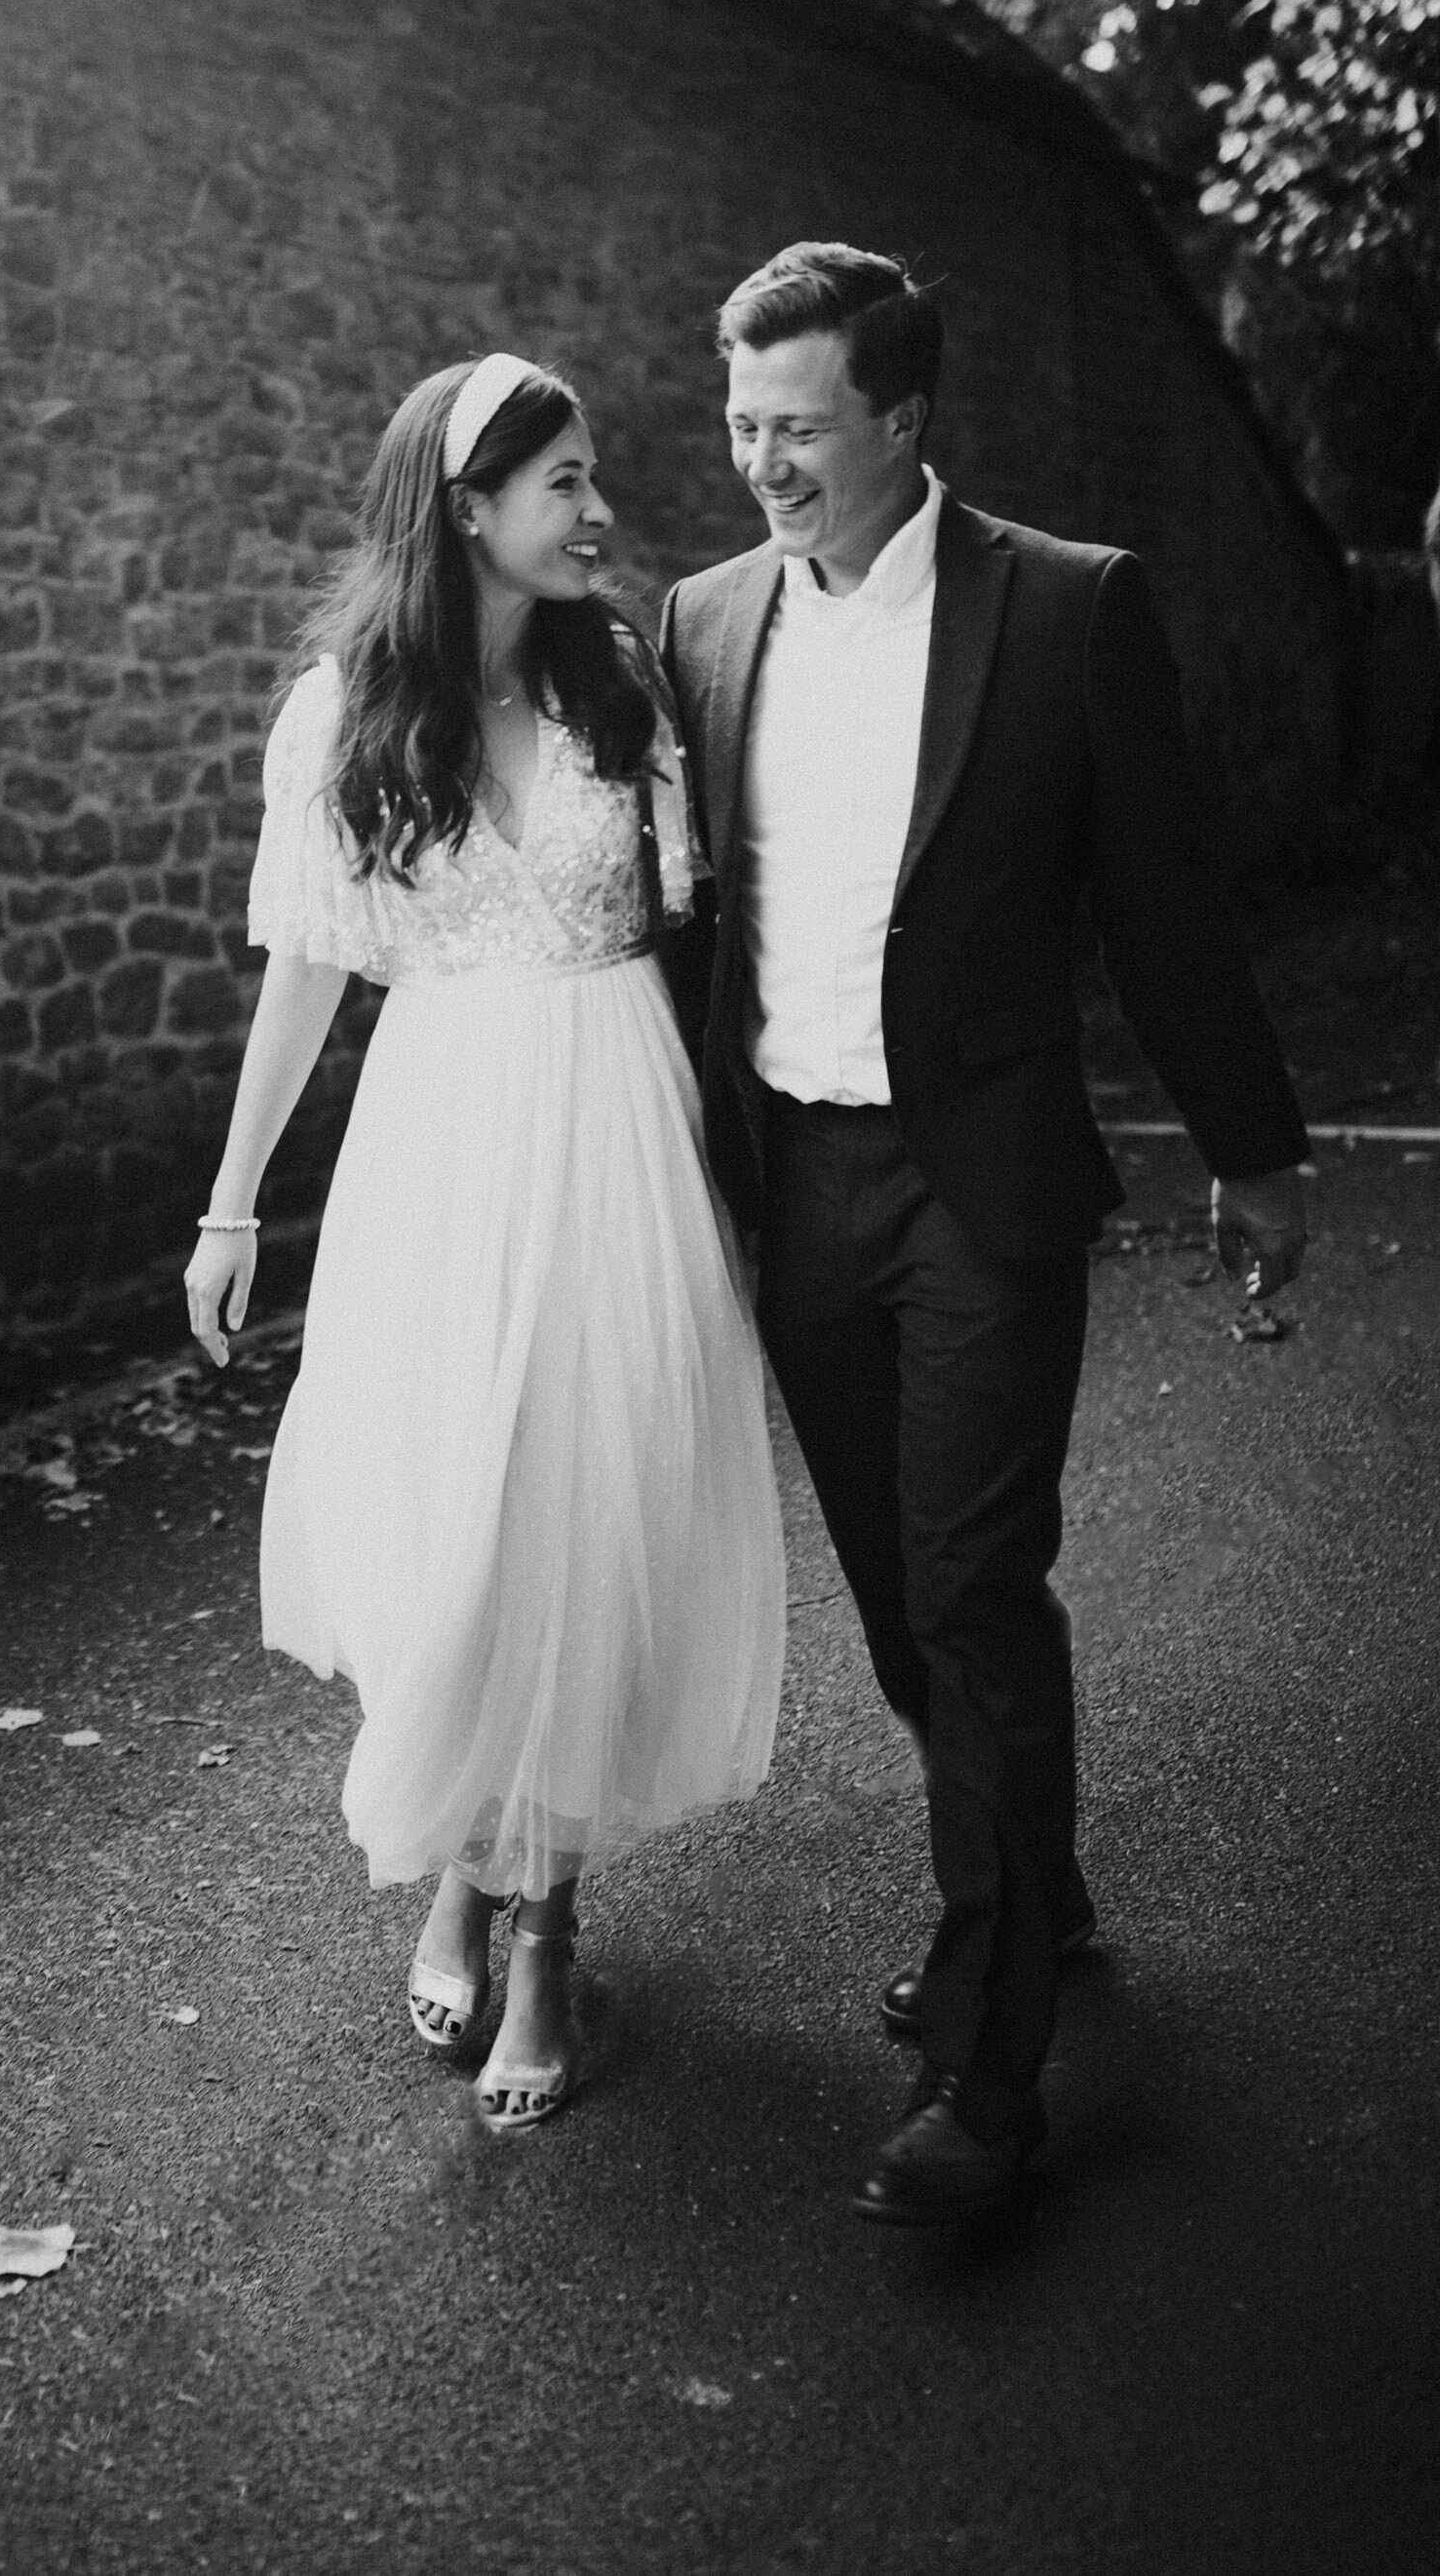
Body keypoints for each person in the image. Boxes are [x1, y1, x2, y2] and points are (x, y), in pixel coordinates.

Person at [661, 243, 1309, 2225]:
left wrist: (1251, 1148)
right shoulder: (696, 623)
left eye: (798, 426)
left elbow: (1161, 902)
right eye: (740, 422)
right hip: (794, 1182)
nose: (759, 460)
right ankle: (1029, 1875)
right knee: (890, 1599)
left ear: (902, 421)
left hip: (982, 1182)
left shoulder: (1059, 607)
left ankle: (989, 2071)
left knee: (968, 1589)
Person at [185, 353, 787, 2135]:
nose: (602, 511)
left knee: (580, 1519)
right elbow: (304, 969)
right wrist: (232, 1206)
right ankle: (465, 1849)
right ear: (467, 510)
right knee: (459, 1525)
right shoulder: (346, 716)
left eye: (596, 479)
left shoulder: (633, 693)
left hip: (614, 1138)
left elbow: (704, 934)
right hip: (444, 1149)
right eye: (567, 484)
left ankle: (544, 1936)